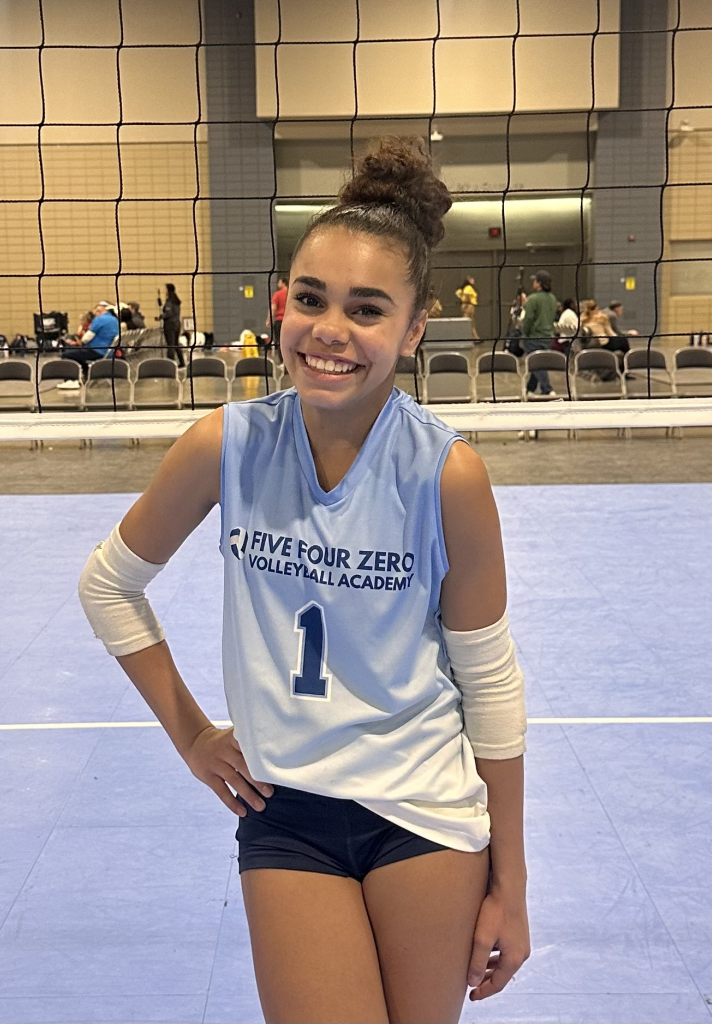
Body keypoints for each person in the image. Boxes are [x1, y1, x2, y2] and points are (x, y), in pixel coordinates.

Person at [77, 136, 530, 1024]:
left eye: (367, 310)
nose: (329, 330)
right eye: (311, 299)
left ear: (413, 328)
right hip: (287, 811)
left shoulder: (447, 476)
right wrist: (192, 736)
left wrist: (509, 883)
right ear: (281, 304)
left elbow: (489, 684)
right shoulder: (226, 445)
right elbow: (108, 587)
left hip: (426, 817)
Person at [57, 301, 118, 388]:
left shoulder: (100, 319)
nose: (94, 314)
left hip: (97, 351)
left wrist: (80, 342)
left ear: (100, 311)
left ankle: (71, 381)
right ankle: (86, 377)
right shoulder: (114, 320)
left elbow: (86, 338)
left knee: (67, 355)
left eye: (96, 311)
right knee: (79, 355)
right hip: (109, 352)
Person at [521, 270, 558, 395]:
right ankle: (530, 389)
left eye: (535, 280)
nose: (533, 283)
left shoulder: (533, 299)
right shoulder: (552, 298)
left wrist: (524, 334)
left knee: (536, 363)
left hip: (534, 336)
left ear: (539, 283)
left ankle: (547, 389)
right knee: (539, 361)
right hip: (548, 336)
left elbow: (528, 319)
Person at [581, 299, 630, 368]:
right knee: (624, 341)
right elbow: (610, 333)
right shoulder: (601, 317)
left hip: (591, 344)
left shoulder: (582, 319)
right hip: (603, 343)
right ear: (596, 308)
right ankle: (626, 366)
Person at [158, 283, 183, 367]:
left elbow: (168, 313)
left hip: (170, 325)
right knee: (176, 344)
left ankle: (170, 364)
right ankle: (182, 361)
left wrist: (161, 316)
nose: (164, 291)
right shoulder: (176, 301)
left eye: (165, 289)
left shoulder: (169, 301)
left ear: (168, 290)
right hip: (177, 324)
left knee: (170, 345)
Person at [266, 276, 288, 362]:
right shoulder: (291, 294)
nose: (278, 284)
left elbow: (273, 308)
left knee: (280, 341)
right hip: (289, 321)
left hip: (280, 320)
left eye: (279, 282)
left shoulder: (278, 294)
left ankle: (282, 361)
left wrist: (269, 319)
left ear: (283, 283)